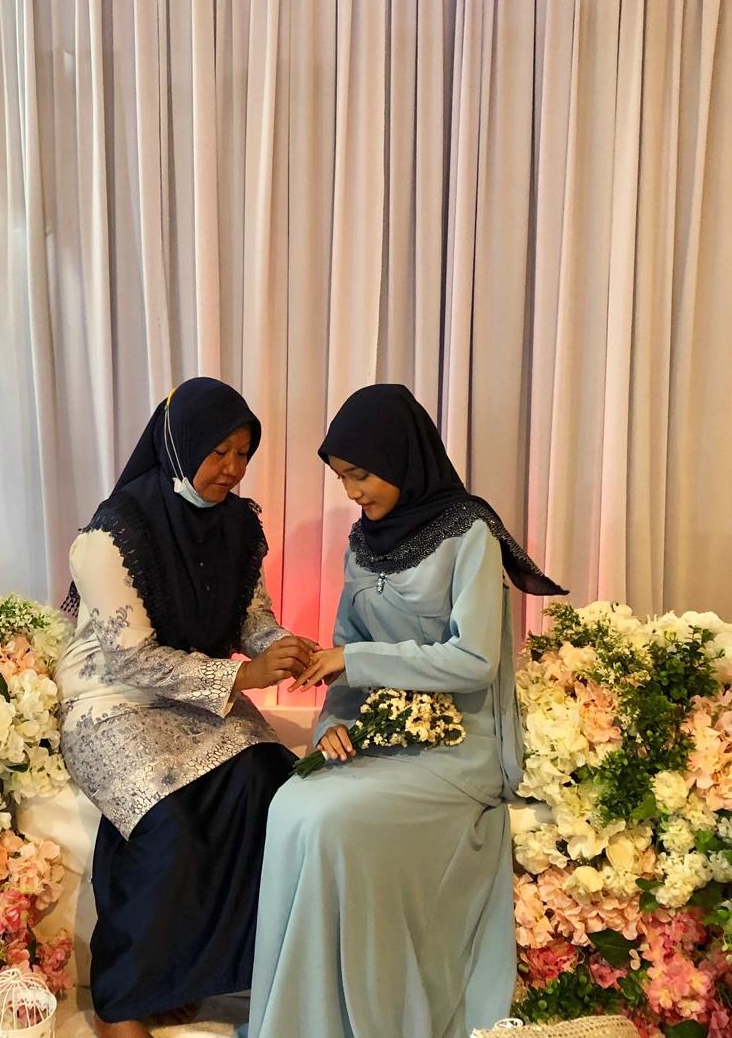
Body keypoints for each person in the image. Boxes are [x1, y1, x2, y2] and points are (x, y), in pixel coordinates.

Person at [242, 384, 566, 1038]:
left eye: (360, 474)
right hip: (379, 735)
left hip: (458, 748)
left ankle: (358, 1016)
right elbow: (343, 649)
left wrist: (356, 660)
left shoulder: (469, 533)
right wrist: (333, 727)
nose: (352, 492)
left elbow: (474, 661)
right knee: (290, 805)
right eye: (342, 478)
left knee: (331, 823)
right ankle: (303, 1020)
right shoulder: (363, 542)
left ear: (401, 455)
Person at [56, 378, 316, 1038]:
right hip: (111, 698)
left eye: (243, 454)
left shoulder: (239, 525)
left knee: (268, 786)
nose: (231, 469)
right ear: (179, 445)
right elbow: (131, 660)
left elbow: (251, 621)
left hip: (198, 693)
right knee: (167, 820)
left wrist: (283, 648)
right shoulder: (110, 535)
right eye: (218, 452)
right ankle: (123, 1002)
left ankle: (181, 975)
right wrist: (245, 677)